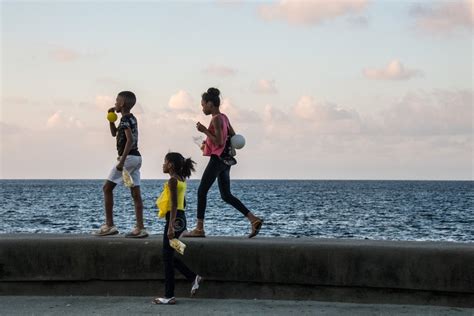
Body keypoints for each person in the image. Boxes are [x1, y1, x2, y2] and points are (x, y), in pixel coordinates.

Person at [184, 87, 263, 238]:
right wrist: (207, 143)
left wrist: (204, 131)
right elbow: (232, 136)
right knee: (226, 195)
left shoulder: (216, 119)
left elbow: (219, 141)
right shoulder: (224, 117)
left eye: (203, 105)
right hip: (226, 161)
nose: (202, 108)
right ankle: (253, 219)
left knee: (202, 191)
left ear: (210, 104)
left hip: (218, 160)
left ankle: (199, 229)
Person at [93, 91, 148, 238]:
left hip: (127, 158)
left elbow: (129, 140)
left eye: (117, 101)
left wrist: (121, 162)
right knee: (135, 193)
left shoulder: (124, 120)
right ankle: (140, 228)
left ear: (122, 104)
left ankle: (109, 225)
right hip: (137, 159)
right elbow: (114, 134)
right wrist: (111, 120)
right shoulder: (130, 118)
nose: (115, 103)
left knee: (107, 188)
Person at [153, 152, 203, 305]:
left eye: (165, 162)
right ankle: (193, 277)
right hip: (180, 218)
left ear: (171, 165)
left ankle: (169, 296)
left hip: (174, 219)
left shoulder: (173, 181)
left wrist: (171, 226)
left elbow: (174, 205)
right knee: (168, 255)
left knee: (167, 258)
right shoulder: (181, 179)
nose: (163, 165)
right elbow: (183, 203)